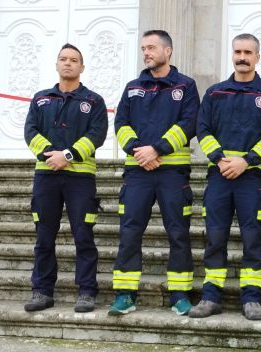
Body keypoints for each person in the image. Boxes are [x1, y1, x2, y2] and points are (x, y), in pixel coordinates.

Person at [188, 33, 261, 321]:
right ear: (232, 54)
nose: (242, 57)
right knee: (215, 238)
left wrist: (246, 161)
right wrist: (220, 159)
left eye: (248, 52)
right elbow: (202, 130)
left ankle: (252, 298)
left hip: (252, 179)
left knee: (252, 239)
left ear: (257, 57)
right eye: (238, 52)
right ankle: (210, 297)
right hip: (219, 176)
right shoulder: (215, 93)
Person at [108, 30, 199, 316]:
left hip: (172, 174)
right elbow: (121, 123)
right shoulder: (133, 86)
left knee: (178, 233)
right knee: (130, 232)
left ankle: (180, 294)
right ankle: (125, 294)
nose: (146, 53)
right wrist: (139, 151)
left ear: (168, 51)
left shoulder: (185, 86)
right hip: (138, 172)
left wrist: (157, 149)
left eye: (151, 48)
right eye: (143, 48)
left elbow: (189, 123)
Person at [23, 43, 108, 313]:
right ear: (56, 64)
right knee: (44, 237)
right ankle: (41, 291)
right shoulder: (40, 99)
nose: (68, 63)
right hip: (46, 177)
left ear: (82, 67)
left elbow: (97, 135)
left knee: (83, 236)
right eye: (63, 59)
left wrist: (68, 156)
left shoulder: (94, 101)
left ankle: (86, 291)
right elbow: (30, 131)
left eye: (74, 60)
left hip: (80, 180)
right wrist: (51, 155)